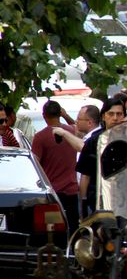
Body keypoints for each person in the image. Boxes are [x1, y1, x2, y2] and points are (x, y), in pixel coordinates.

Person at [31, 100, 80, 235]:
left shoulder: (40, 137)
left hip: (52, 193)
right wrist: (66, 116)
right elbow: (77, 127)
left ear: (44, 115)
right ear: (60, 113)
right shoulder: (71, 132)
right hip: (71, 190)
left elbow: (35, 164)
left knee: (53, 231)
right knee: (73, 229)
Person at [76, 97, 127, 218]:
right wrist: (83, 204)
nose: (115, 118)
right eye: (111, 114)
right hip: (99, 201)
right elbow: (85, 176)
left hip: (126, 201)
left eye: (119, 114)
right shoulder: (93, 141)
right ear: (103, 117)